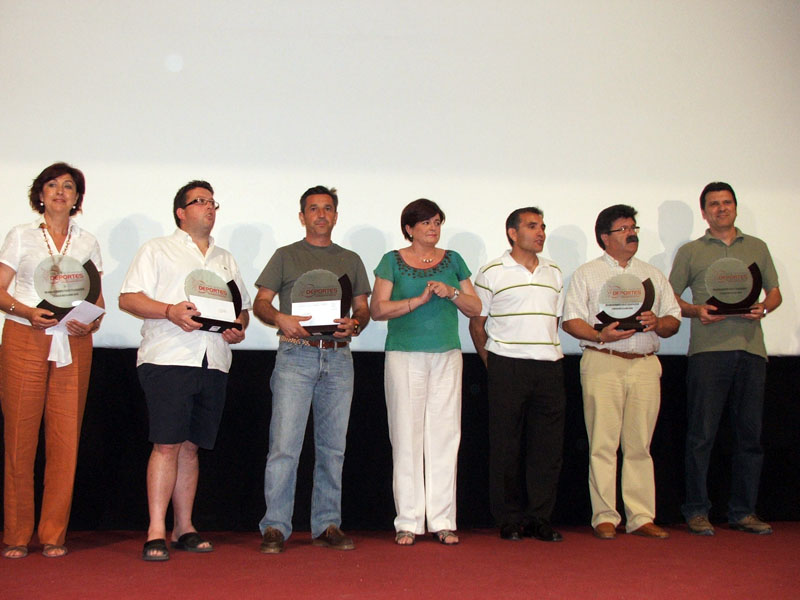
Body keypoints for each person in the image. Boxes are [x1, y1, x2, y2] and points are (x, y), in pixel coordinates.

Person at [119, 180, 251, 561]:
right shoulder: (157, 249)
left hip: (214, 360)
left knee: (191, 448)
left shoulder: (225, 258)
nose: (209, 208)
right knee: (167, 444)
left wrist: (238, 326)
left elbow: (241, 308)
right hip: (169, 358)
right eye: (200, 201)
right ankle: (155, 530)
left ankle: (184, 527)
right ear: (181, 212)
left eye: (213, 202)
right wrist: (169, 311)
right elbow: (128, 298)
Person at [256, 186, 370, 553]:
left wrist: (355, 324)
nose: (321, 214)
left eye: (328, 208)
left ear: (336, 216)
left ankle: (327, 524)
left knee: (333, 448)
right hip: (296, 355)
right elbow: (261, 303)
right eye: (313, 208)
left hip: (338, 358)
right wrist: (280, 318)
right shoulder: (285, 255)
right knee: (284, 446)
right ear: (302, 216)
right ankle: (275, 526)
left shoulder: (351, 259)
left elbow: (363, 308)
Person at [0, 162, 104, 559]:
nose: (60, 191)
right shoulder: (21, 235)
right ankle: (16, 533)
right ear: (40, 194)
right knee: (20, 438)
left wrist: (89, 323)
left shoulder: (87, 242)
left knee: (65, 440)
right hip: (25, 337)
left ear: (77, 197)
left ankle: (53, 533)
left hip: (73, 342)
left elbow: (97, 299)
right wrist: (27, 312)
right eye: (52, 185)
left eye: (69, 186)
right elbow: (0, 289)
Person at [669, 182, 781, 536]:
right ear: (704, 212)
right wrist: (696, 310)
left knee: (750, 437)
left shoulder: (757, 247)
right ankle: (697, 510)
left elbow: (774, 292)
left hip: (751, 351)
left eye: (727, 202)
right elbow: (671, 299)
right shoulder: (691, 251)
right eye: (714, 204)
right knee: (701, 436)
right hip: (707, 353)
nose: (721, 208)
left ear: (735, 207)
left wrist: (764, 308)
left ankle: (743, 512)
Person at [562, 204, 680, 540]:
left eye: (634, 228)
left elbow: (673, 320)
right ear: (604, 237)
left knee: (640, 444)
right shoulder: (587, 273)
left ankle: (641, 516)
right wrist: (600, 335)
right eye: (623, 229)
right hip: (603, 360)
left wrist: (659, 322)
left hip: (644, 364)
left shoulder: (652, 274)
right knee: (602, 444)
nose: (631, 234)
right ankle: (604, 516)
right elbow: (570, 320)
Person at [370, 199, 481, 546]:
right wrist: (415, 303)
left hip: (447, 355)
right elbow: (377, 310)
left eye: (437, 222)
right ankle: (408, 521)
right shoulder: (391, 260)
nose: (433, 228)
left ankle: (443, 520)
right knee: (406, 436)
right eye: (426, 223)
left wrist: (453, 292)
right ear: (409, 228)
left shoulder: (454, 260)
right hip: (404, 356)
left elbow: (476, 307)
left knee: (445, 436)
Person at [469, 207, 565, 543]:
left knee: (547, 448)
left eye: (542, 226)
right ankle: (509, 519)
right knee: (506, 445)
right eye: (532, 226)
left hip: (549, 366)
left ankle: (540, 518)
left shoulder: (554, 271)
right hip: (507, 365)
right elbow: (477, 324)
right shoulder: (491, 271)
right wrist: (492, 363)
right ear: (512, 233)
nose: (540, 232)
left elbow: (554, 321)